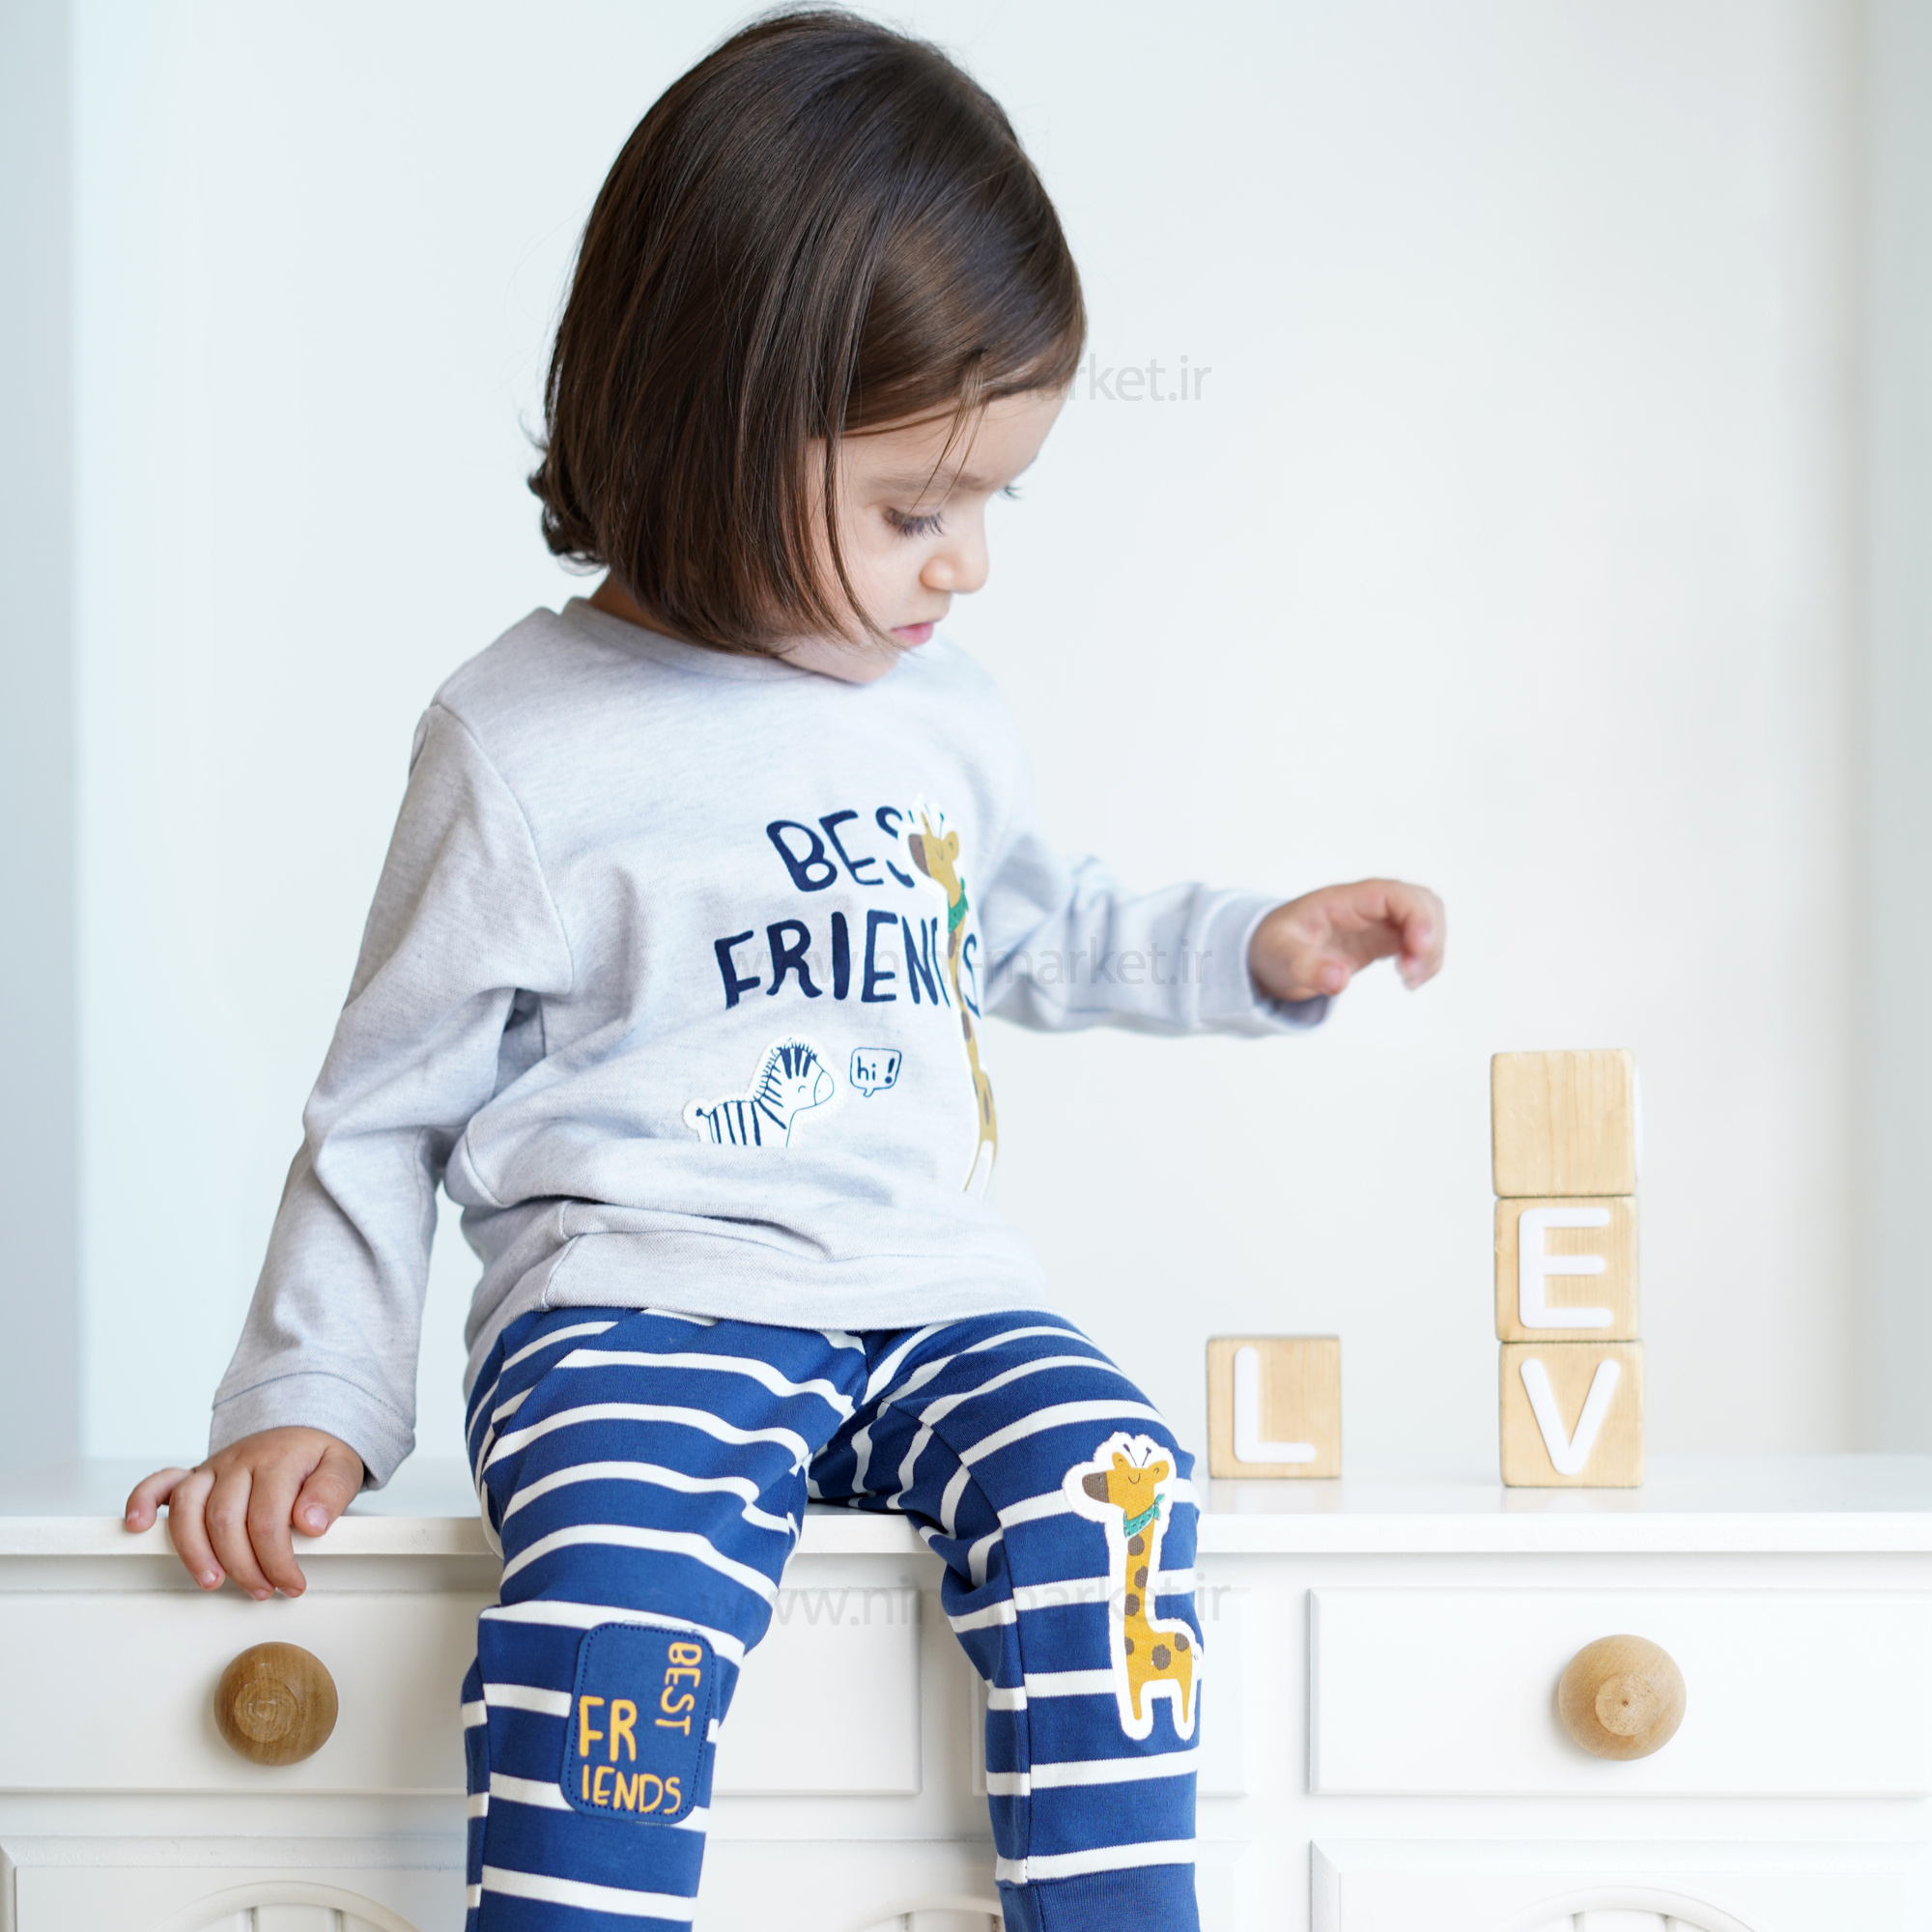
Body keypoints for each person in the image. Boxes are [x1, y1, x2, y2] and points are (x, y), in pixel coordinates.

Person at [124, 12, 1444, 1928]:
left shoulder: (938, 713)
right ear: (714, 432)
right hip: (636, 1310)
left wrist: (1249, 944)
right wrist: (309, 1390)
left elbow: (1025, 923)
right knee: (620, 1604)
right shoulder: (521, 738)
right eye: (916, 510)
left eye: (991, 502)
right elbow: (385, 1099)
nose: (964, 565)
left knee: (1117, 1484)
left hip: (928, 1296)